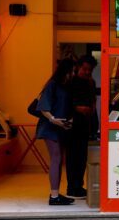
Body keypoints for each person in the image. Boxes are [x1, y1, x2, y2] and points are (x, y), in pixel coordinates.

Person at [36, 59, 76, 206]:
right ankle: (54, 196)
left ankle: (56, 193)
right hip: (49, 128)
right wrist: (54, 120)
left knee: (58, 160)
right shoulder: (52, 85)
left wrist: (68, 121)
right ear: (65, 72)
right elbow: (43, 108)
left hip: (58, 127)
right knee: (56, 158)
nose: (73, 74)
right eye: (72, 71)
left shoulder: (65, 86)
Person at [66, 55, 98, 199]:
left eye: (89, 70)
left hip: (86, 124)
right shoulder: (70, 82)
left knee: (82, 157)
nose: (86, 72)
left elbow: (93, 104)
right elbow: (66, 104)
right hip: (72, 125)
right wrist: (78, 109)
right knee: (73, 157)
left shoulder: (91, 82)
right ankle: (72, 187)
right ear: (78, 67)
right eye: (84, 69)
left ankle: (78, 186)